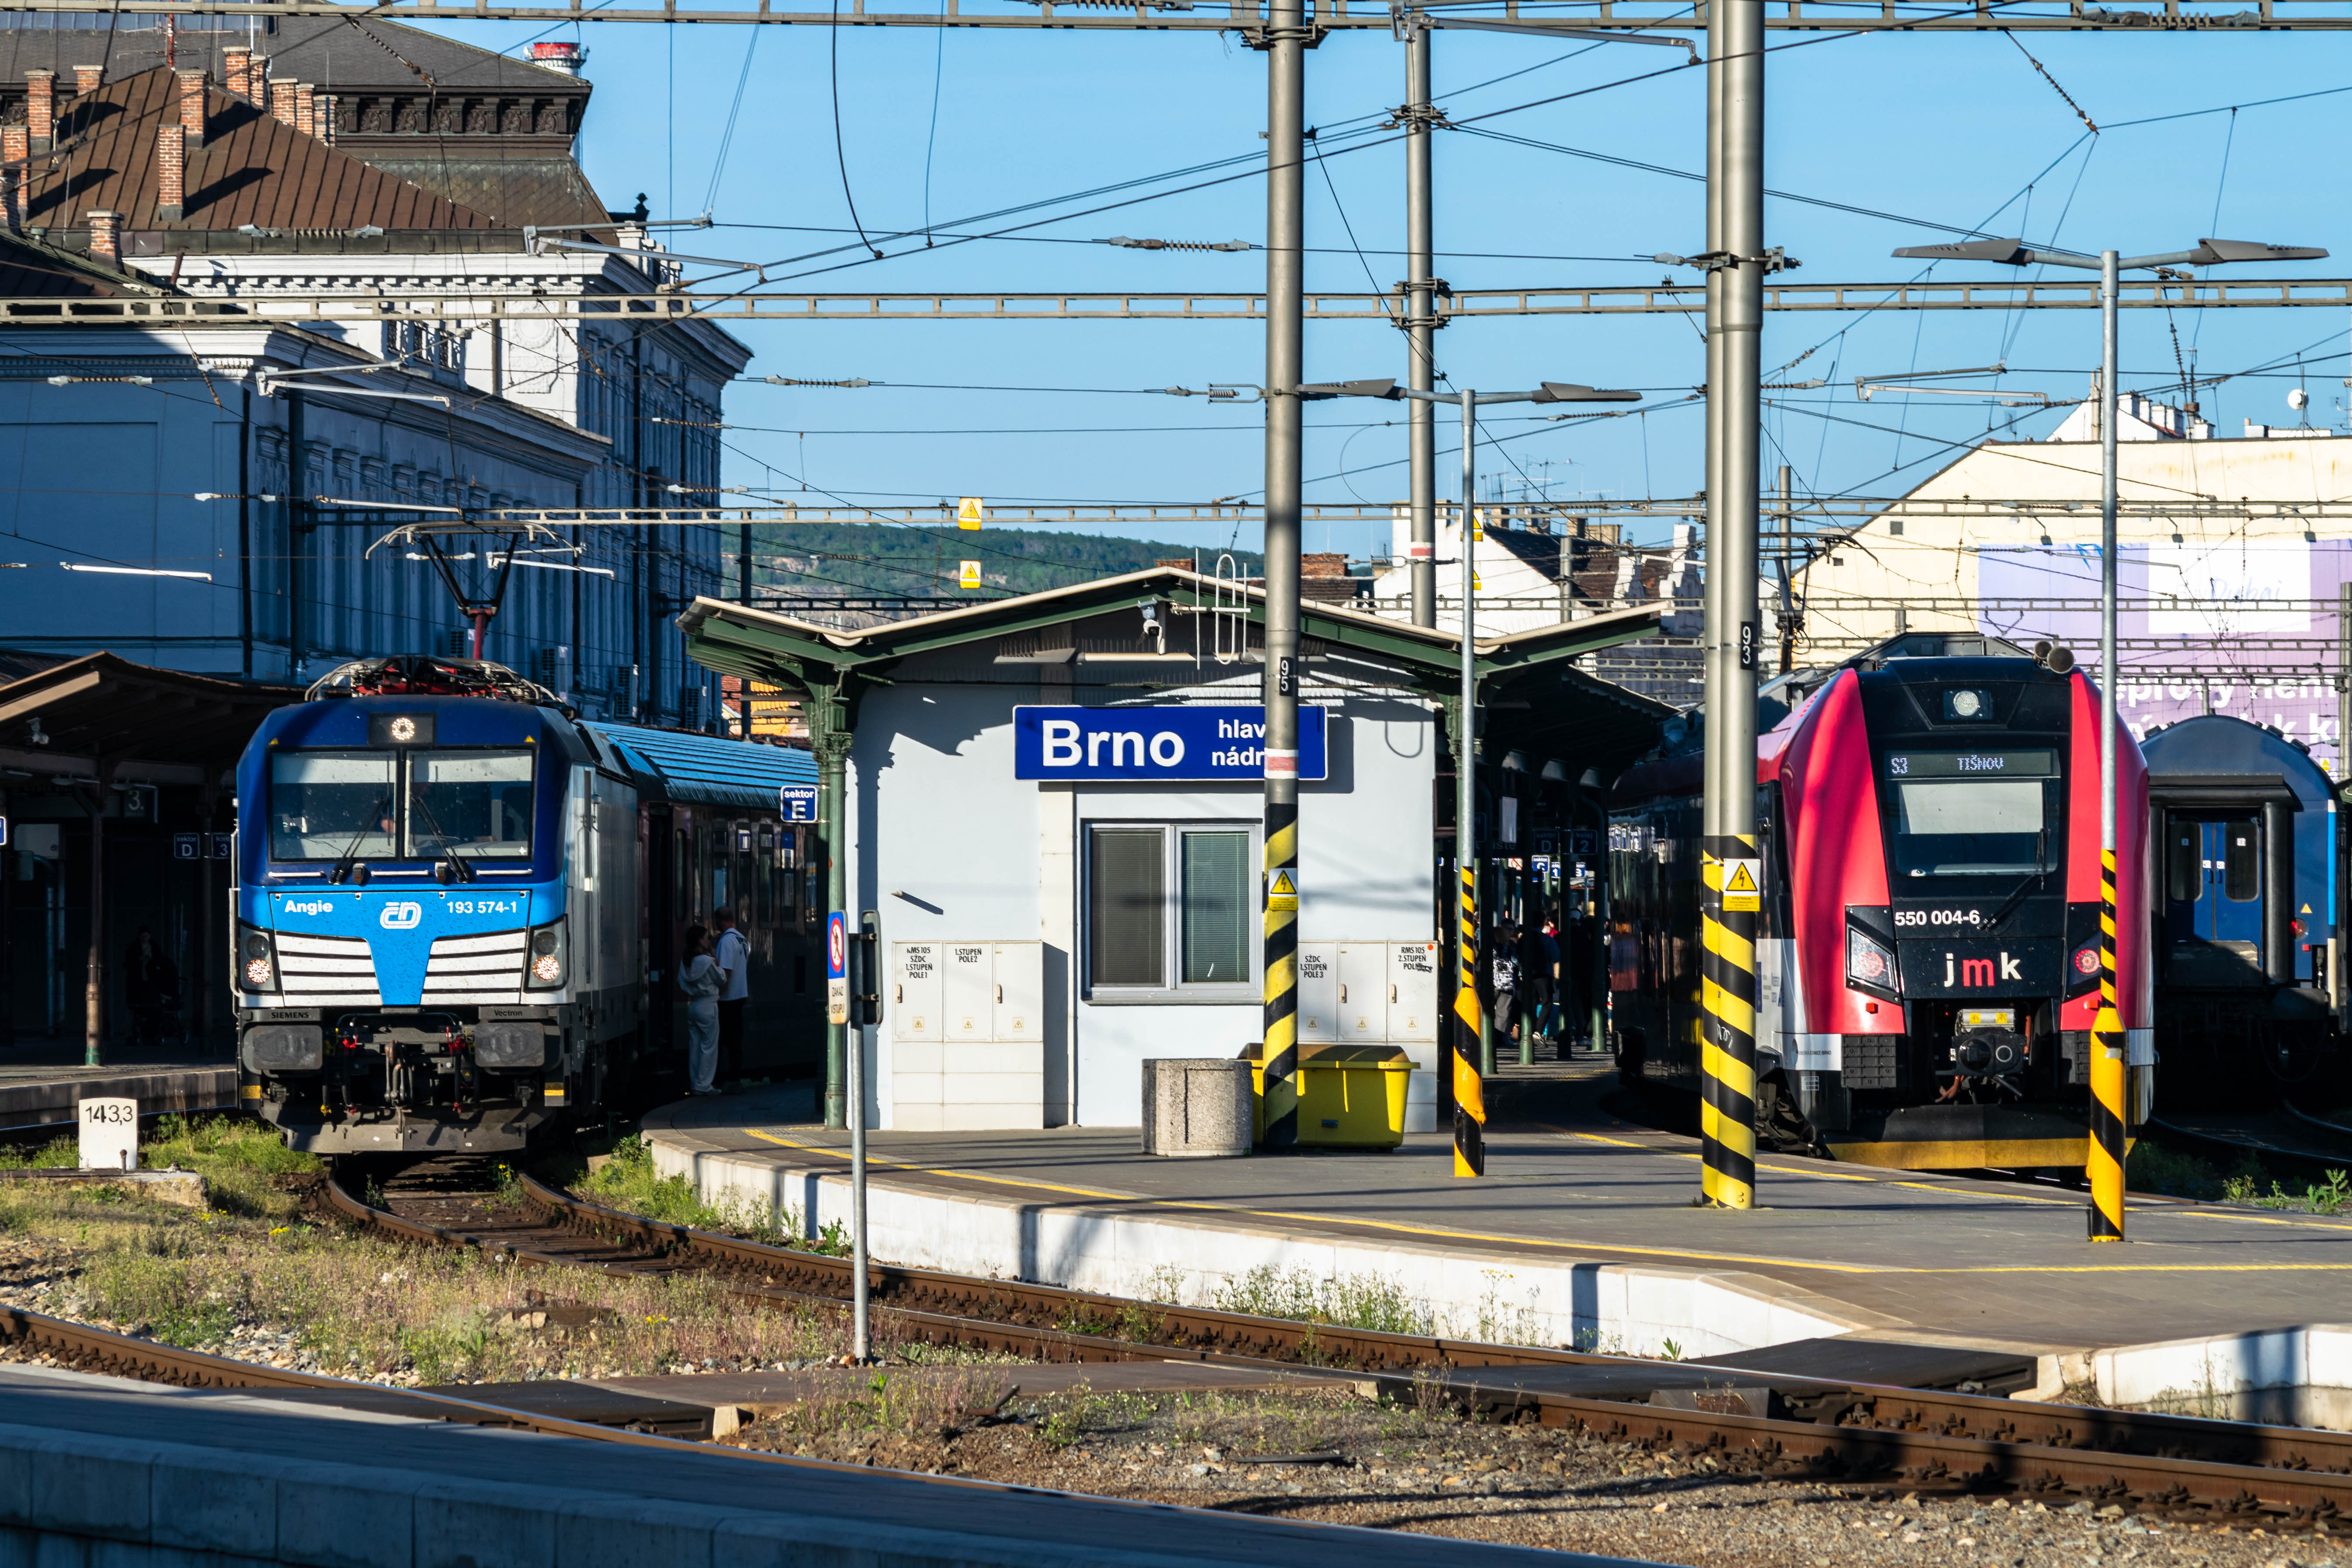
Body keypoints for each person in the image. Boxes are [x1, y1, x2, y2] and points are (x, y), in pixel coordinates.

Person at [678, 925, 724, 1096]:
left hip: (693, 1006)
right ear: (700, 941)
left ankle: (695, 1082)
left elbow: (682, 982)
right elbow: (722, 978)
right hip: (708, 1006)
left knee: (695, 1047)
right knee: (709, 1047)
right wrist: (714, 957)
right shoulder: (708, 961)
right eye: (707, 938)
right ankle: (704, 1085)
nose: (709, 941)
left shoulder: (686, 961)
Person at [122, 926, 179, 1051]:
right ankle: (141, 1033)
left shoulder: (155, 947)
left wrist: (152, 963)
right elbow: (126, 964)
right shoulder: (134, 947)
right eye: (142, 937)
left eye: (146, 937)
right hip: (137, 980)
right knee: (139, 1007)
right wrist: (138, 961)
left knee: (153, 1005)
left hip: (153, 980)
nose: (144, 939)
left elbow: (162, 962)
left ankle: (151, 1033)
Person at [713, 904, 749, 1087]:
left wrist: (716, 994)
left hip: (728, 999)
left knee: (724, 1040)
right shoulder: (742, 939)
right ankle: (735, 1077)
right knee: (735, 1040)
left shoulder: (726, 942)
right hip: (740, 994)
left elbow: (725, 972)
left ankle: (725, 1078)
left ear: (720, 921)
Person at [1489, 920, 1522, 1046]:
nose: (1511, 932)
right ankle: (1499, 1039)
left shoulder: (1491, 945)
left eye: (1512, 929)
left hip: (1496, 983)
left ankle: (1495, 1038)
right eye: (1508, 929)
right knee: (1502, 1013)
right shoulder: (1510, 947)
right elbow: (1515, 963)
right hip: (1505, 983)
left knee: (1497, 1012)